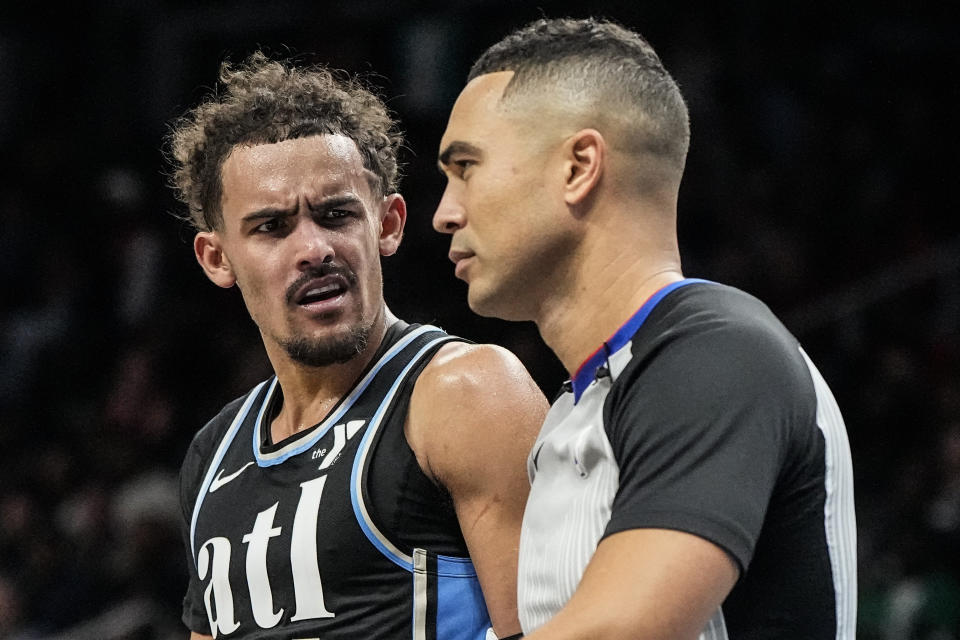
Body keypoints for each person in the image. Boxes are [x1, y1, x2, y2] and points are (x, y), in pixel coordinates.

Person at [433, 17, 857, 639]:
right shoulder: (576, 408)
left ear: (579, 166)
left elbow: (620, 629)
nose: (445, 213)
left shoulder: (719, 352)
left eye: (465, 166)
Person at [167, 52, 547, 640]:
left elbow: (563, 628)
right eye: (272, 227)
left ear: (388, 224)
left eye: (336, 214)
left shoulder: (466, 394)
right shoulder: (213, 453)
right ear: (217, 258)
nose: (314, 248)